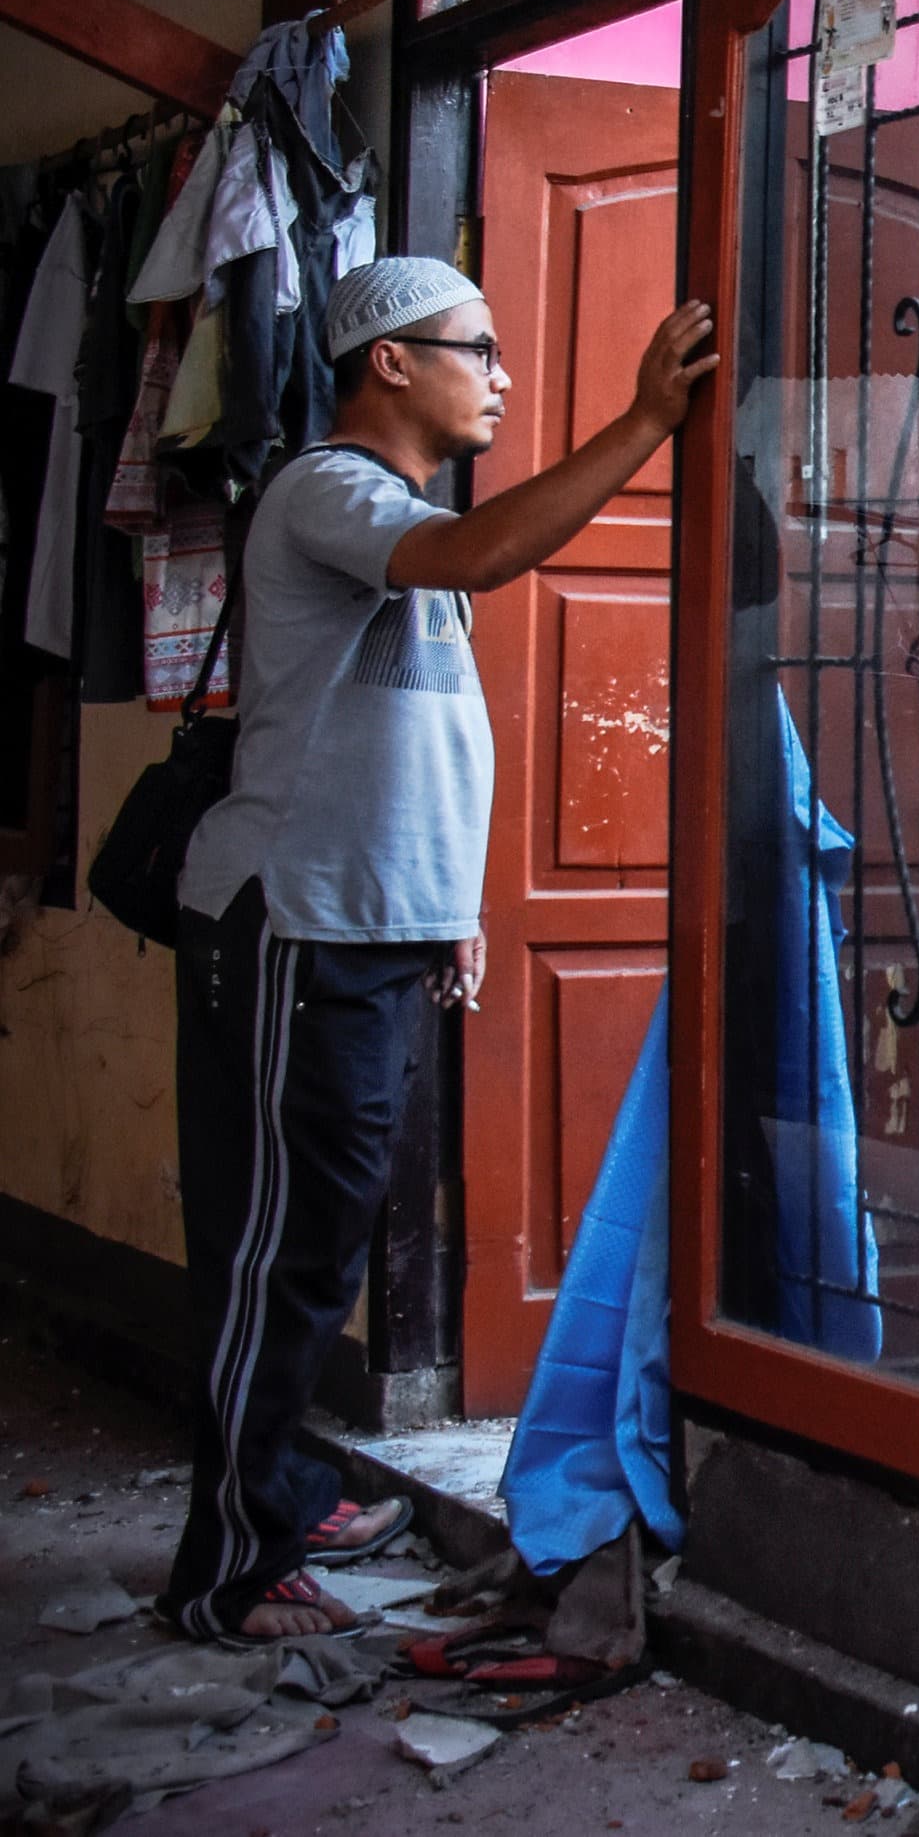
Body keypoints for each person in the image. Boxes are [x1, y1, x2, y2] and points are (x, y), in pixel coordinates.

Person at [160, 256, 715, 1643]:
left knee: (323, 1234)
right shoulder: (332, 493)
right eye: (479, 347)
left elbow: (427, 734)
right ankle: (226, 1565)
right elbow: (475, 555)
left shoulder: (403, 519)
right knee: (282, 1248)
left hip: (377, 923)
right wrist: (644, 424)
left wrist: (455, 900)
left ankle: (278, 1476)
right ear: (389, 360)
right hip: (297, 919)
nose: (504, 375)